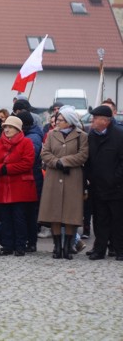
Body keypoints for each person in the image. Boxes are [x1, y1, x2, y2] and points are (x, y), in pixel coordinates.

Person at [38, 106, 88, 260]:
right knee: (54, 213)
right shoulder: (52, 134)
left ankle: (68, 247)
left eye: (60, 120)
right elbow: (45, 153)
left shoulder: (82, 136)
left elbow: (83, 155)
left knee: (70, 214)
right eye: (57, 119)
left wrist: (64, 161)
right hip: (54, 176)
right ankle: (57, 246)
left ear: (69, 121)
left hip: (73, 176)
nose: (57, 122)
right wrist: (56, 162)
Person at [0, 116, 37, 256]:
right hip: (3, 187)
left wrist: (6, 169)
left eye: (10, 127)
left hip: (20, 187)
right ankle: (7, 245)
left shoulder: (26, 142)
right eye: (5, 127)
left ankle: (20, 245)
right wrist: (1, 169)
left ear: (18, 129)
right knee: (5, 218)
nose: (7, 129)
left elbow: (27, 163)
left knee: (19, 218)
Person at [84, 105, 123, 261]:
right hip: (97, 186)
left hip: (116, 187)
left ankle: (119, 249)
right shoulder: (92, 136)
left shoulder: (119, 136)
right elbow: (88, 160)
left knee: (118, 220)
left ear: (105, 121)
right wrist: (89, 178)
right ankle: (99, 249)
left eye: (95, 118)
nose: (92, 121)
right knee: (100, 220)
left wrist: (115, 178)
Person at [15, 111, 44, 253]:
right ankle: (28, 240)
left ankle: (31, 241)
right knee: (26, 213)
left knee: (29, 213)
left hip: (31, 178)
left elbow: (28, 160)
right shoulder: (30, 135)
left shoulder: (33, 138)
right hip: (28, 178)